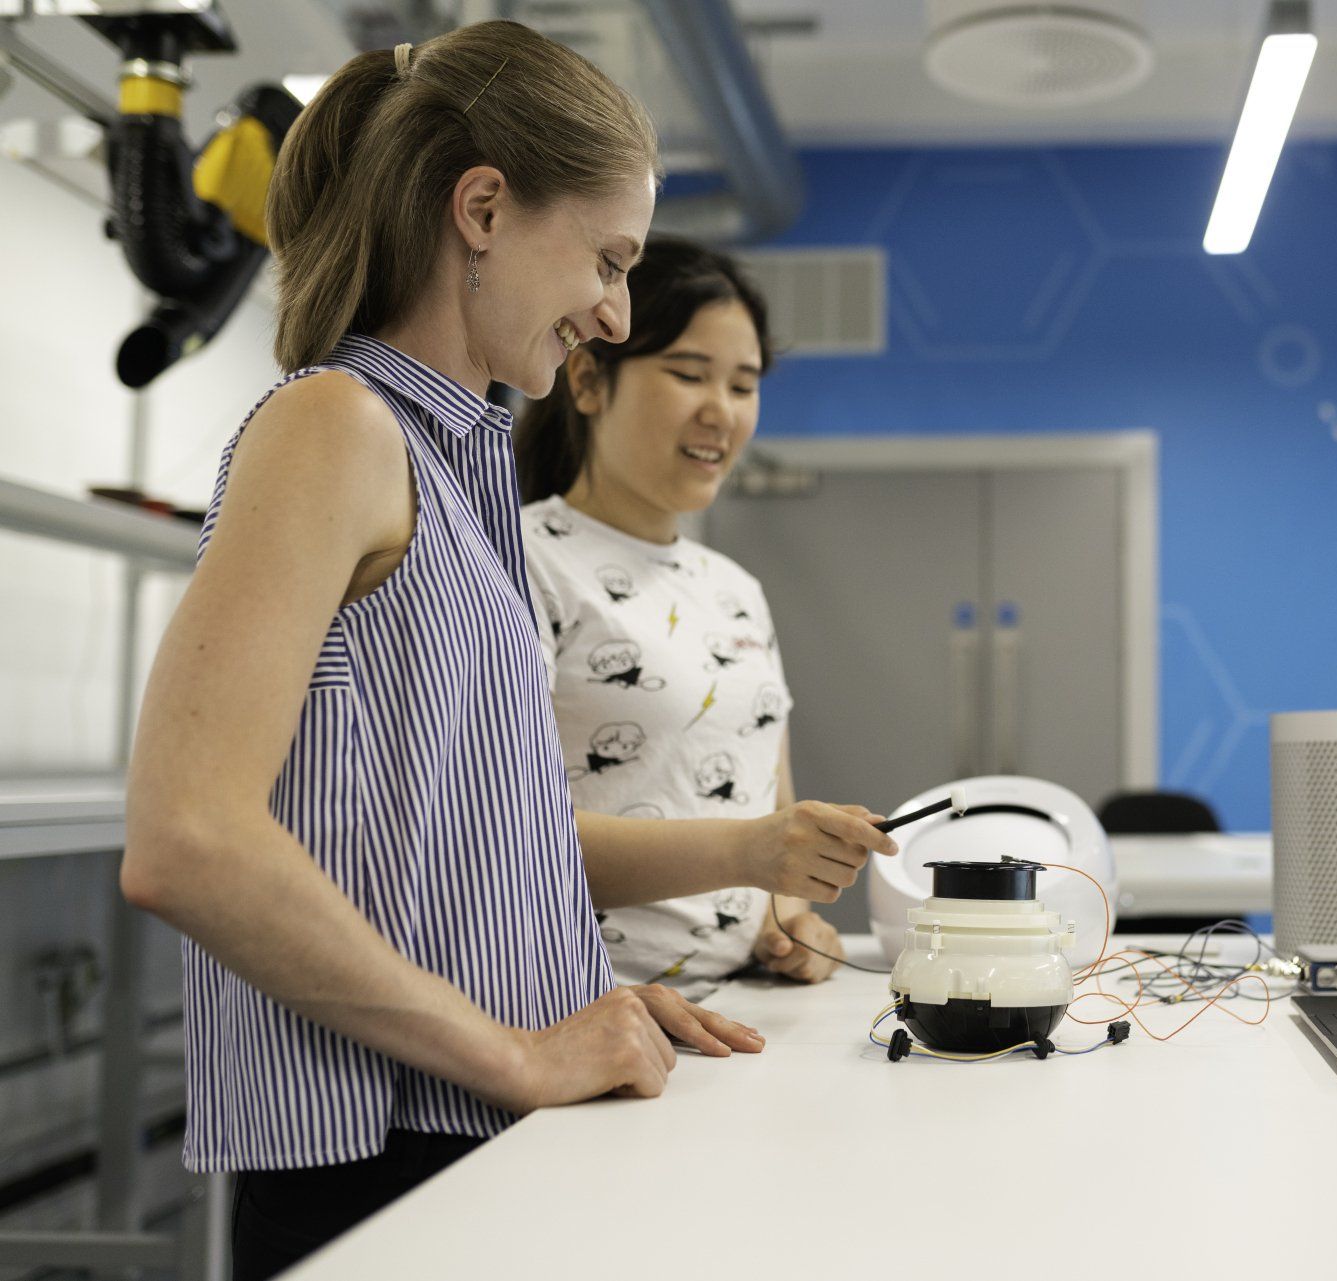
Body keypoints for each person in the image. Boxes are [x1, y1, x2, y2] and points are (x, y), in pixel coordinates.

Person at [117, 24, 895, 1279]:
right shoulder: (336, 425)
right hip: (378, 1154)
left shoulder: (454, 459)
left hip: (463, 1122)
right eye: (606, 256)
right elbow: (188, 840)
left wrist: (567, 996)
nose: (615, 309)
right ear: (481, 208)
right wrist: (518, 1050)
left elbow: (454, 839)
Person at [515, 238, 852, 998]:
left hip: (737, 1008)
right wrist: (748, 851)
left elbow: (771, 802)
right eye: (688, 373)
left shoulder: (736, 589)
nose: (720, 411)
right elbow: (510, 831)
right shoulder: (523, 558)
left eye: (743, 384)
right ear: (590, 379)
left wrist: (792, 920)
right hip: (589, 1011)